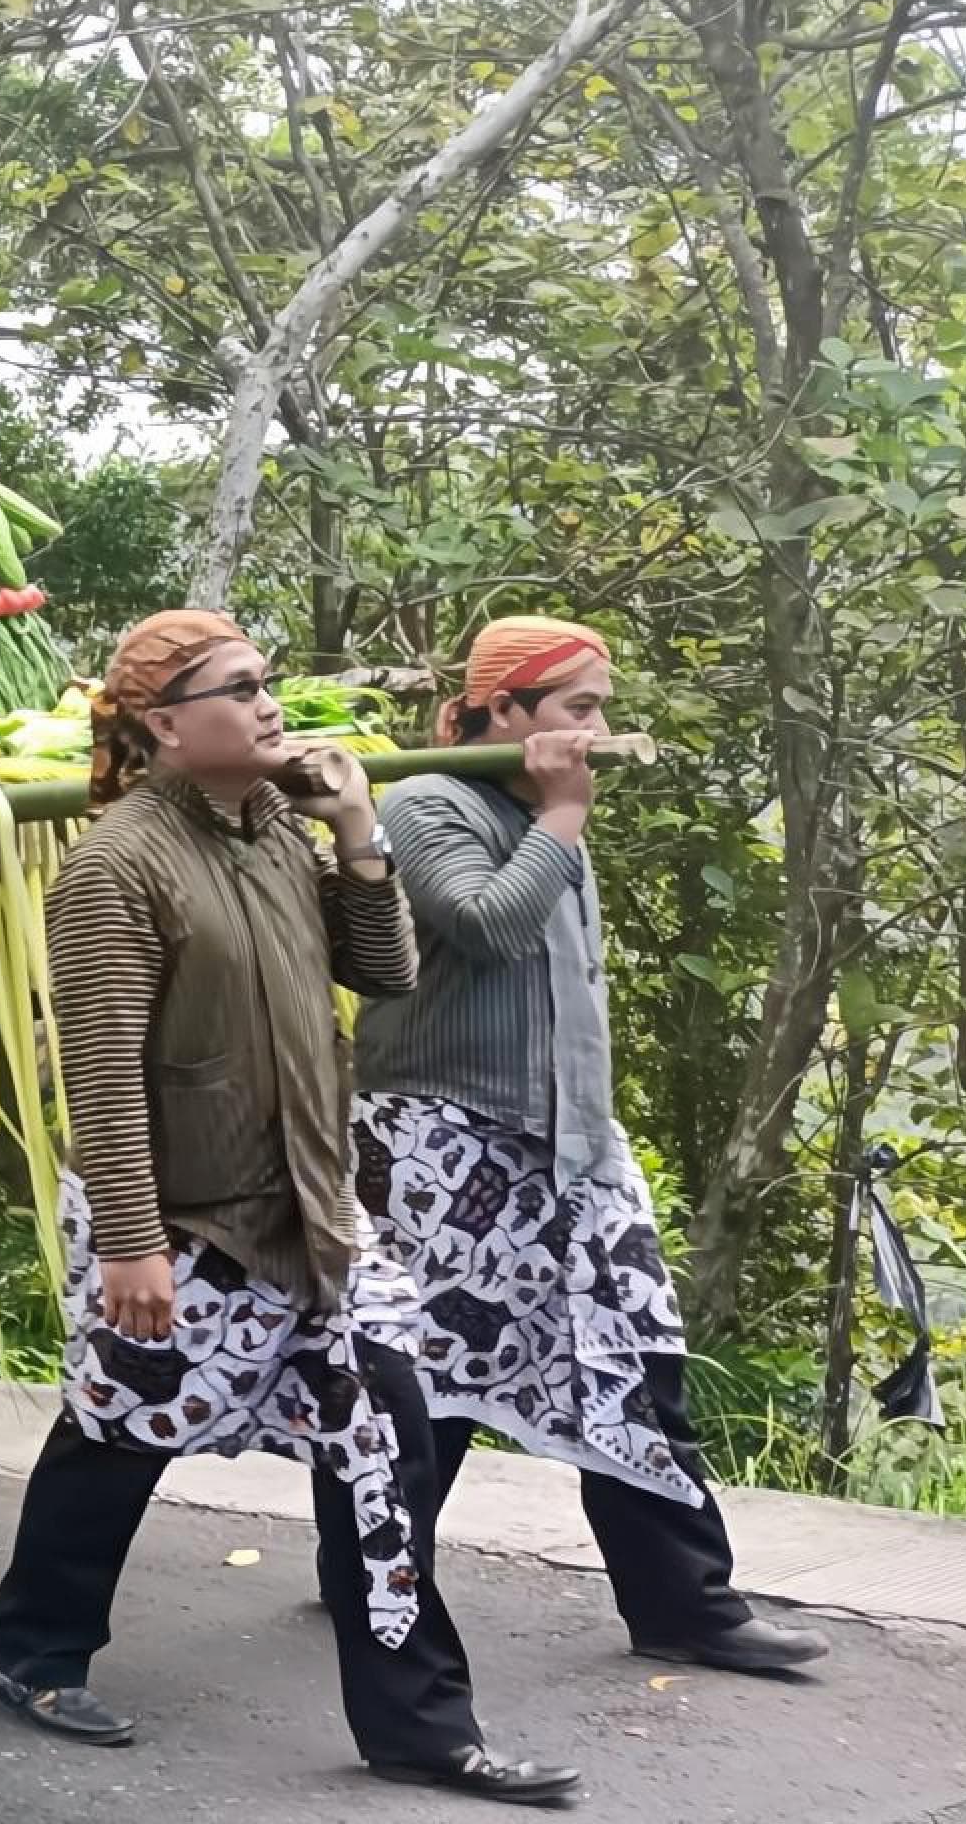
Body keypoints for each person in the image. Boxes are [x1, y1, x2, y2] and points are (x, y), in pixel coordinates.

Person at [0, 610, 576, 1806]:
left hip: (318, 1207)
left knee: (388, 1443)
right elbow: (100, 1070)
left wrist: (357, 833)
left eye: (269, 683)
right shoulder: (114, 866)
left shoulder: (276, 831)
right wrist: (131, 1243)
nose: (269, 705)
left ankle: (419, 1727)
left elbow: (386, 971)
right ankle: (37, 1654)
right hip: (188, 1221)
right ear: (163, 725)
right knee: (118, 1436)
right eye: (241, 688)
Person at [353, 617, 826, 1678]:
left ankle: (686, 1605)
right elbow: (485, 926)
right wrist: (563, 817)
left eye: (601, 707)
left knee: (635, 1361)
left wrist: (557, 815)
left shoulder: (541, 811)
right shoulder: (426, 802)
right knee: (432, 1382)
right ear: (504, 710)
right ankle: (376, 1566)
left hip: (572, 1148)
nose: (599, 728)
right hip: (442, 1143)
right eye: (579, 707)